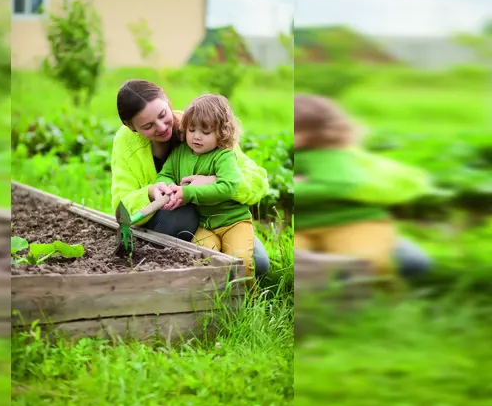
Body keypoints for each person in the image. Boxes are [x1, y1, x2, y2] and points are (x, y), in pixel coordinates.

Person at [111, 80, 271, 276]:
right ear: (131, 127)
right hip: (171, 220)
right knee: (183, 216)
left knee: (259, 264)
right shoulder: (126, 143)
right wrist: (151, 192)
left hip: (219, 217)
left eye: (163, 115)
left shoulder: (198, 125)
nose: (161, 127)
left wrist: (215, 181)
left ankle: (215, 259)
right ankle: (173, 268)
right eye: (148, 125)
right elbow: (121, 204)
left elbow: (257, 180)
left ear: (168, 102)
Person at [293, 94, 433, 278]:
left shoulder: (329, 155)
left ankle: (370, 293)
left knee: (366, 261)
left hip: (348, 221)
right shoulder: (298, 155)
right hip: (304, 226)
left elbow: (337, 186)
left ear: (313, 133)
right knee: (300, 264)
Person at [152, 94, 256, 286]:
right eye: (192, 130)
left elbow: (227, 187)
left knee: (242, 262)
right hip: (205, 225)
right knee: (203, 259)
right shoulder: (180, 152)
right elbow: (165, 174)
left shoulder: (224, 156)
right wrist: (166, 186)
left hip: (233, 222)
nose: (197, 136)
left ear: (222, 132)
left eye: (205, 132)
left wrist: (188, 193)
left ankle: (248, 303)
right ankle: (212, 303)